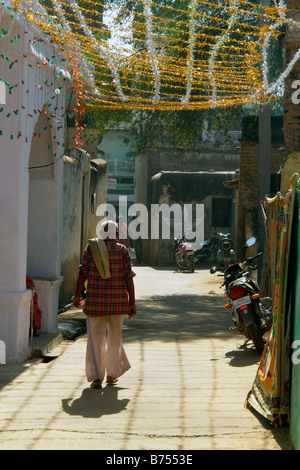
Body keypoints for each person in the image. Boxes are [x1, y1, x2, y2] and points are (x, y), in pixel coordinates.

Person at [73, 220, 136, 389]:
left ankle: (97, 378)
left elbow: (82, 273)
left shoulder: (91, 248)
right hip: (117, 303)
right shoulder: (122, 251)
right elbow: (128, 277)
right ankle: (112, 375)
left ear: (101, 233)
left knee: (95, 340)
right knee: (115, 338)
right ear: (116, 234)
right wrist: (132, 303)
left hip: (95, 302)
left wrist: (77, 293)